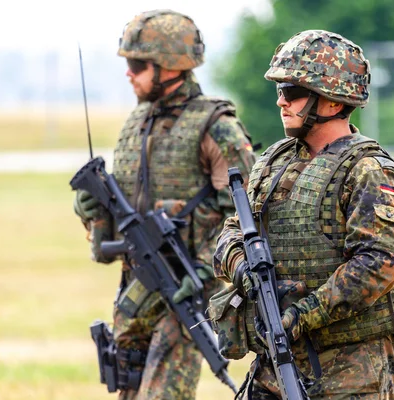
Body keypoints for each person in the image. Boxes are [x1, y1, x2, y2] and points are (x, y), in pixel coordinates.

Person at [212, 30, 394, 399]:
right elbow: (231, 232)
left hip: (349, 371)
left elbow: (377, 265)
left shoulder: (368, 171)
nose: (281, 101)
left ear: (331, 102)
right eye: (279, 90)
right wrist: (244, 270)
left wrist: (300, 316)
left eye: (292, 92)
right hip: (272, 365)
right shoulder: (273, 162)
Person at [72, 9, 257, 400]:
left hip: (184, 293)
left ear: (171, 66)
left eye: (138, 64)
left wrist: (207, 267)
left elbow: (246, 213)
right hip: (136, 291)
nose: (129, 73)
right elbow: (119, 209)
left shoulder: (216, 126)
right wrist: (90, 209)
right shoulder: (136, 123)